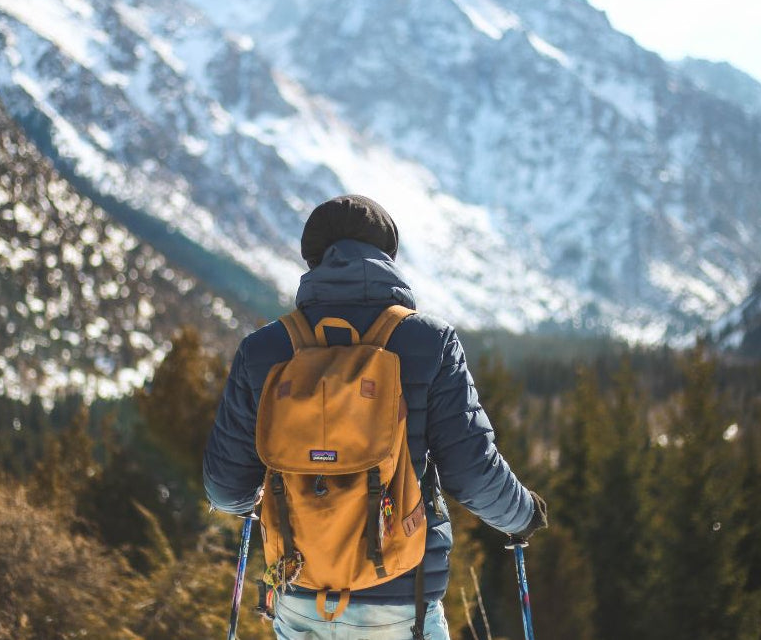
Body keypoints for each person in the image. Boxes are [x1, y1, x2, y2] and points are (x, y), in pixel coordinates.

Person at [204, 195, 547, 639]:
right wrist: (522, 515)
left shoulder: (263, 350)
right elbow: (472, 473)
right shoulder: (429, 342)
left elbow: (226, 488)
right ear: (388, 256)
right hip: (400, 602)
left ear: (312, 259)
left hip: (299, 595)